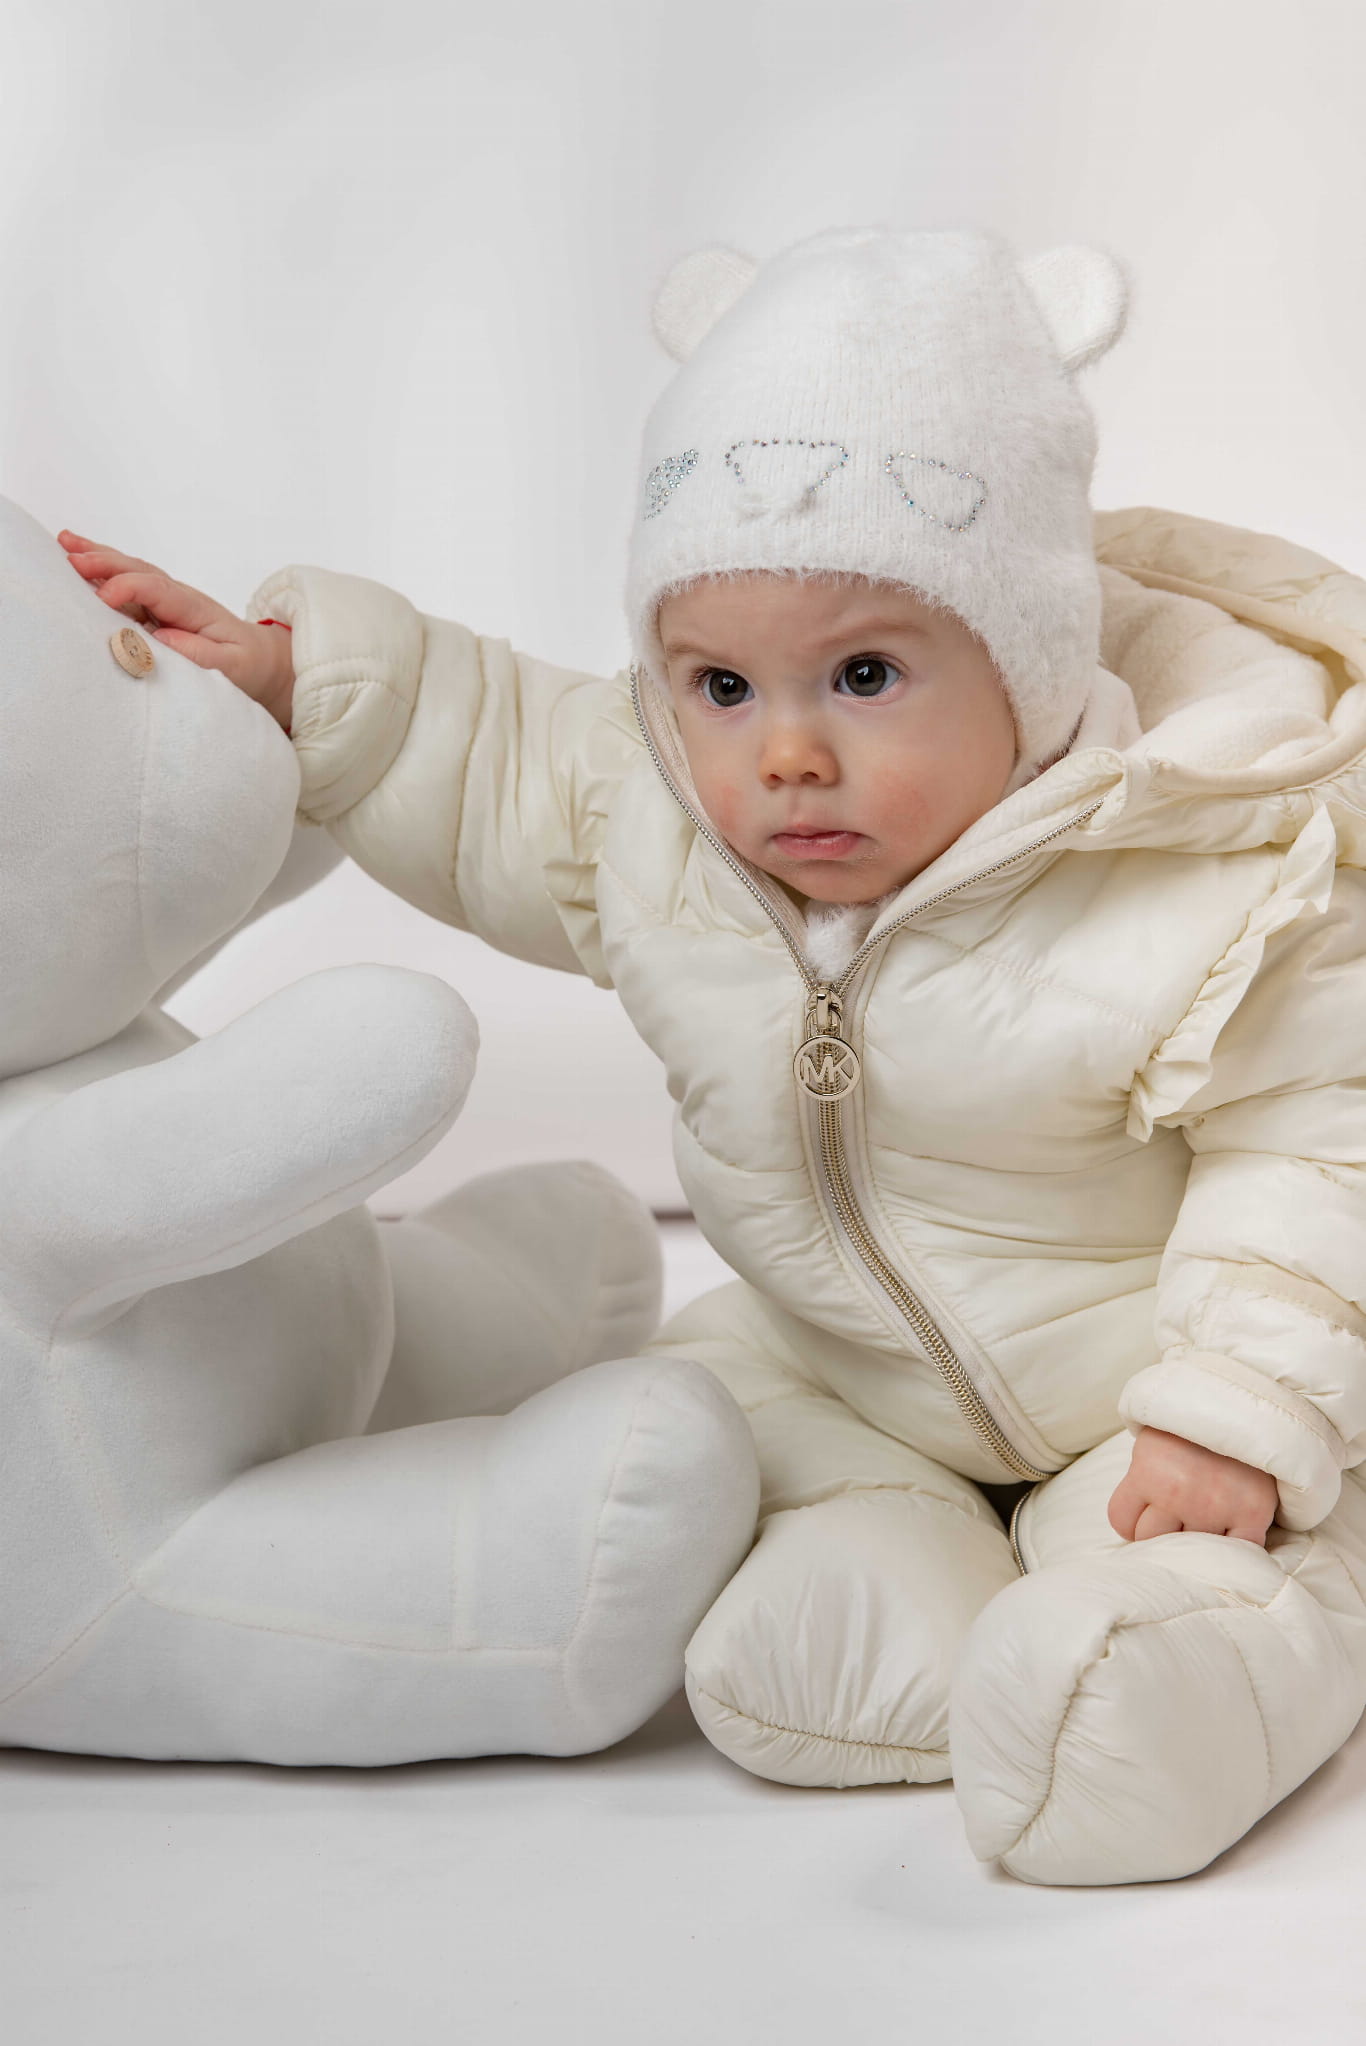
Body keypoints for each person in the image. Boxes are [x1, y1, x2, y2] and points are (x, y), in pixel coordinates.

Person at [58, 226, 1366, 1886]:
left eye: (866, 674)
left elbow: (1320, 1149)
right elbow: (489, 756)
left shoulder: (1209, 857)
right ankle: (878, 1558)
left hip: (1148, 1392)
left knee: (1256, 1540)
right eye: (722, 684)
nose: (786, 751)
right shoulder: (657, 813)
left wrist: (1235, 1408)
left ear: (1031, 660)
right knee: (737, 1405)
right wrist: (297, 681)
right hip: (847, 1372)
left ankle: (1170, 1663)